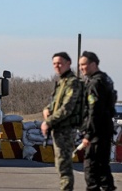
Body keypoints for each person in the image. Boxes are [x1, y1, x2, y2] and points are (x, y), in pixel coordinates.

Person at [41, 52, 81, 191]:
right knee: (60, 166)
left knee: (64, 167)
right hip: (58, 130)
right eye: (54, 64)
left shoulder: (72, 82)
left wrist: (48, 122)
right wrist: (46, 110)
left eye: (60, 63)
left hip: (66, 130)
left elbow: (67, 108)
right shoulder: (61, 82)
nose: (57, 66)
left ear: (68, 63)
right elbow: (54, 104)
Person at [79, 51, 117, 191]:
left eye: (84, 65)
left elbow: (94, 111)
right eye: (80, 65)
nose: (81, 68)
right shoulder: (106, 79)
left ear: (93, 64)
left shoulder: (95, 83)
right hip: (105, 130)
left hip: (97, 133)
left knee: (91, 169)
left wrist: (89, 134)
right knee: (103, 168)